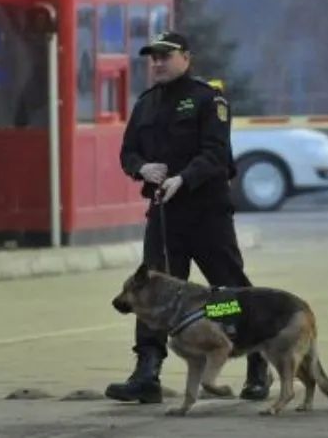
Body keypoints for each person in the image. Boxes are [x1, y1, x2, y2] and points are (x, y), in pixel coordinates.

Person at [106, 31, 271, 404]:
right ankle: (147, 371)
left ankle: (256, 362)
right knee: (150, 292)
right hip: (165, 216)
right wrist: (142, 169)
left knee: (229, 292)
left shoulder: (207, 99)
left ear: (186, 57)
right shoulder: (146, 104)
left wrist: (184, 178)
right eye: (154, 57)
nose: (159, 63)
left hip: (206, 214)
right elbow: (128, 151)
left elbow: (216, 155)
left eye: (166, 56)